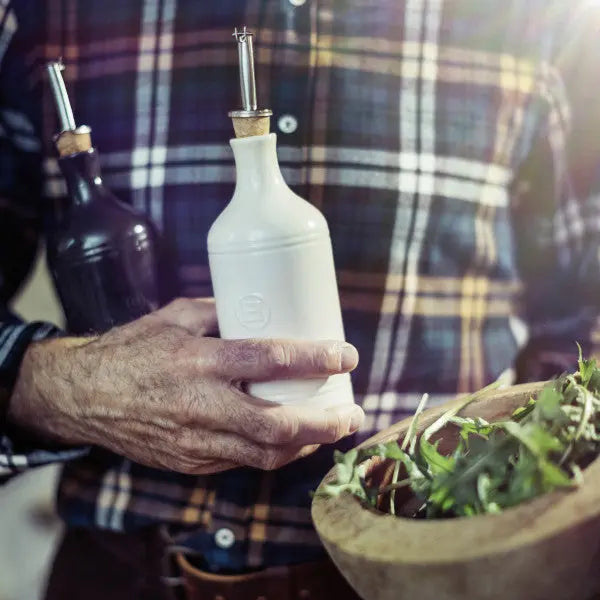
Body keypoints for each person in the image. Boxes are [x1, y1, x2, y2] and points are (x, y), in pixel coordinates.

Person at [0, 0, 599, 598]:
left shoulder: (544, 21)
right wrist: (68, 387)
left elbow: (587, 314)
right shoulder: (47, 15)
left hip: (439, 570)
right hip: (121, 572)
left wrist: (528, 504)